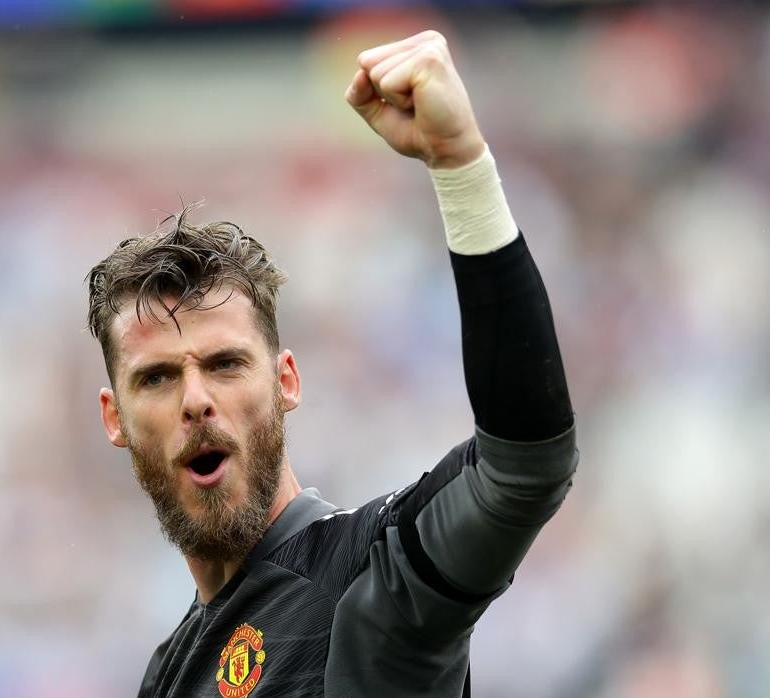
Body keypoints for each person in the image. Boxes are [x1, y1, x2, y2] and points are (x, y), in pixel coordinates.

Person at [86, 30, 577, 697]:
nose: (196, 399)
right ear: (115, 417)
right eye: (158, 377)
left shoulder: (367, 579)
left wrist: (460, 163)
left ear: (286, 380)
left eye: (226, 364)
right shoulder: (168, 673)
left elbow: (522, 466)